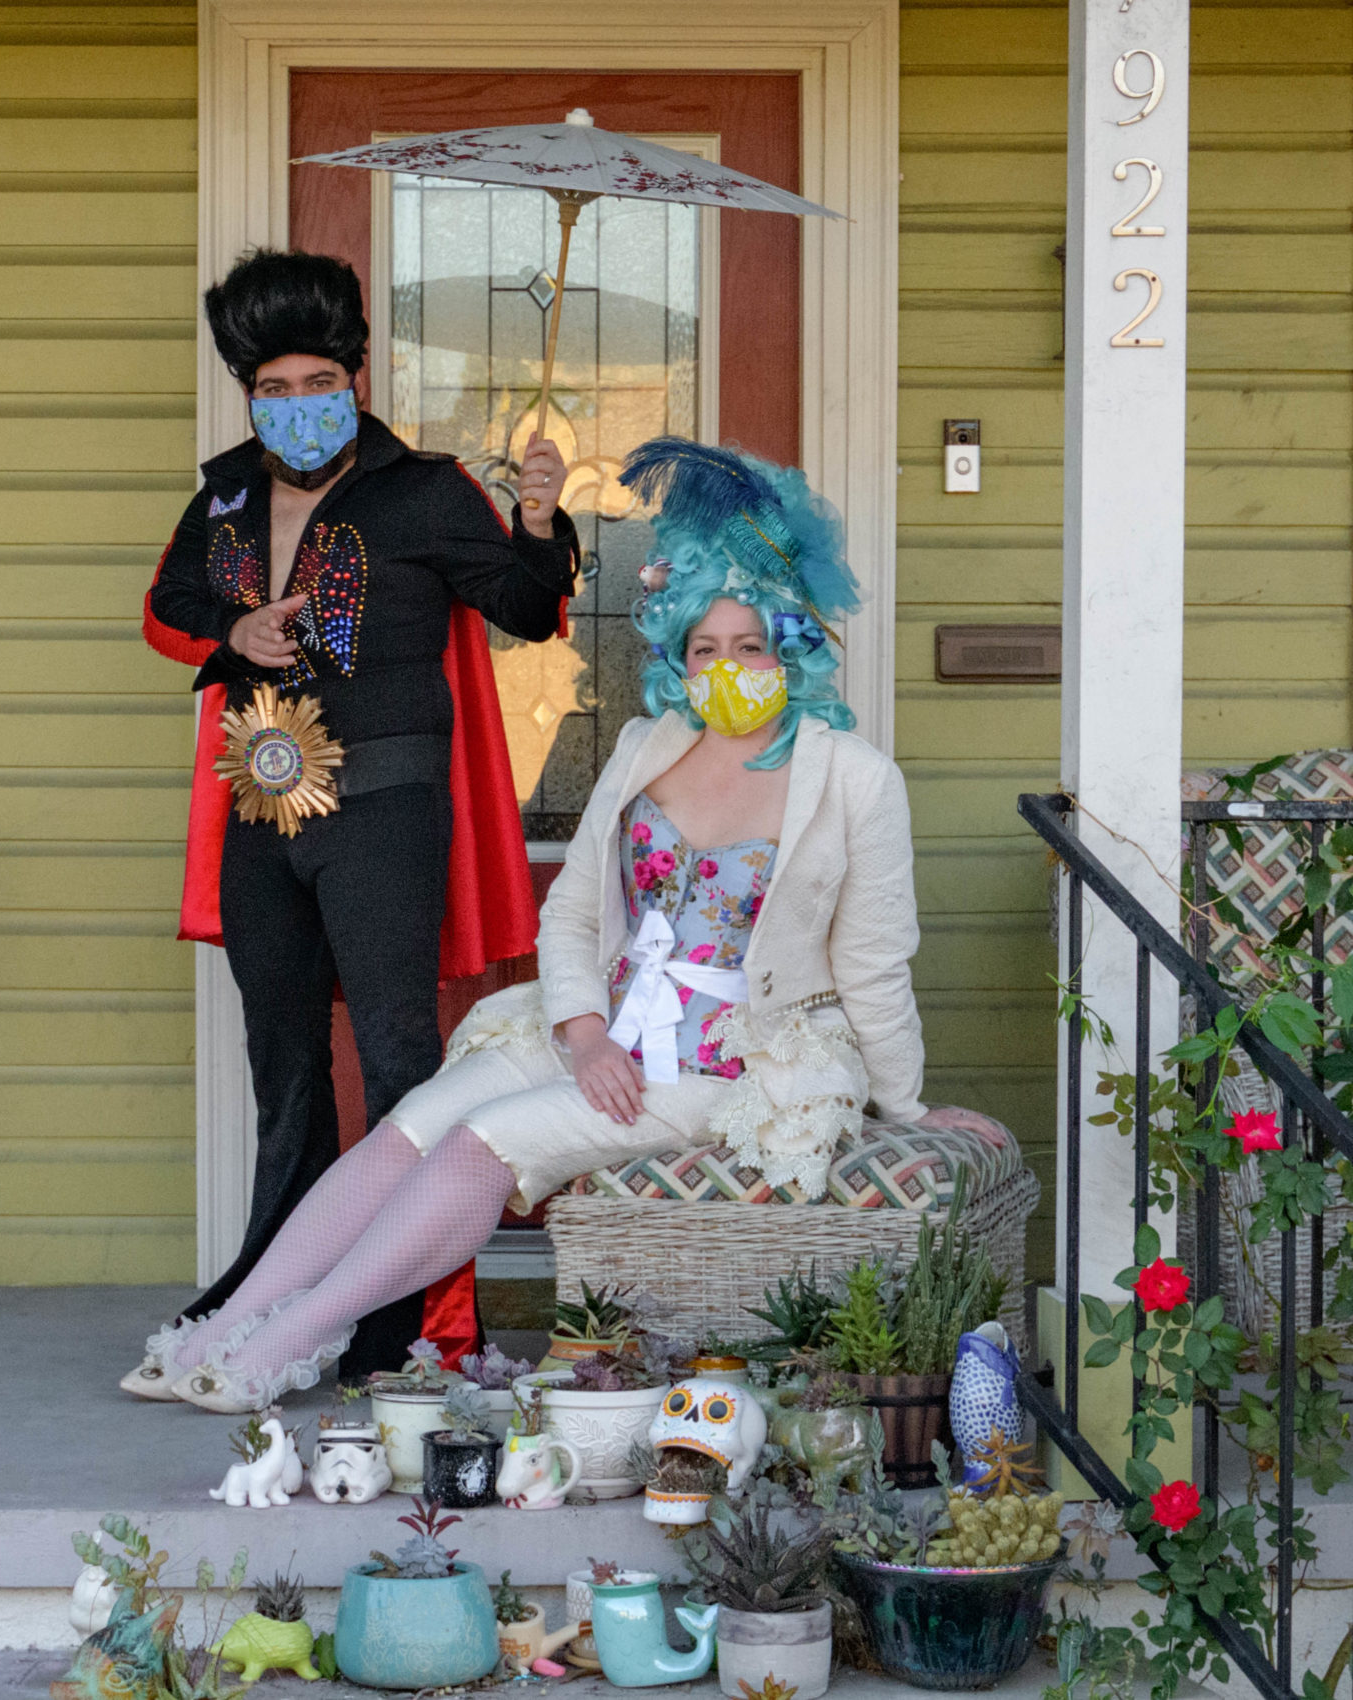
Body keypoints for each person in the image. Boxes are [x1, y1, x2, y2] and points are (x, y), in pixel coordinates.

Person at [127, 439, 977, 1413]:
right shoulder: (647, 744)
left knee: (482, 1143)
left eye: (749, 646)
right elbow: (573, 906)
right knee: (409, 1124)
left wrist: (904, 1106)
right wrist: (580, 1028)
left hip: (730, 1061)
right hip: (598, 1028)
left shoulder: (854, 778)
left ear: (789, 644)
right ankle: (222, 1325)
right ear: (678, 653)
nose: (727, 666)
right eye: (705, 647)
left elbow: (873, 964)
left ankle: (277, 1348)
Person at [126, 250, 578, 1397]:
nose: (294, 403)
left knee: (397, 1062)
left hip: (387, 809)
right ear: (247, 388)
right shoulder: (225, 491)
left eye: (315, 378)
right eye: (270, 385)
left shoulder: (425, 489)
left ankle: (415, 1322)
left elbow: (527, 609)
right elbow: (165, 608)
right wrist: (237, 631)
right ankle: (272, 1288)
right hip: (257, 811)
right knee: (282, 1062)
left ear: (357, 372)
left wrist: (535, 518)